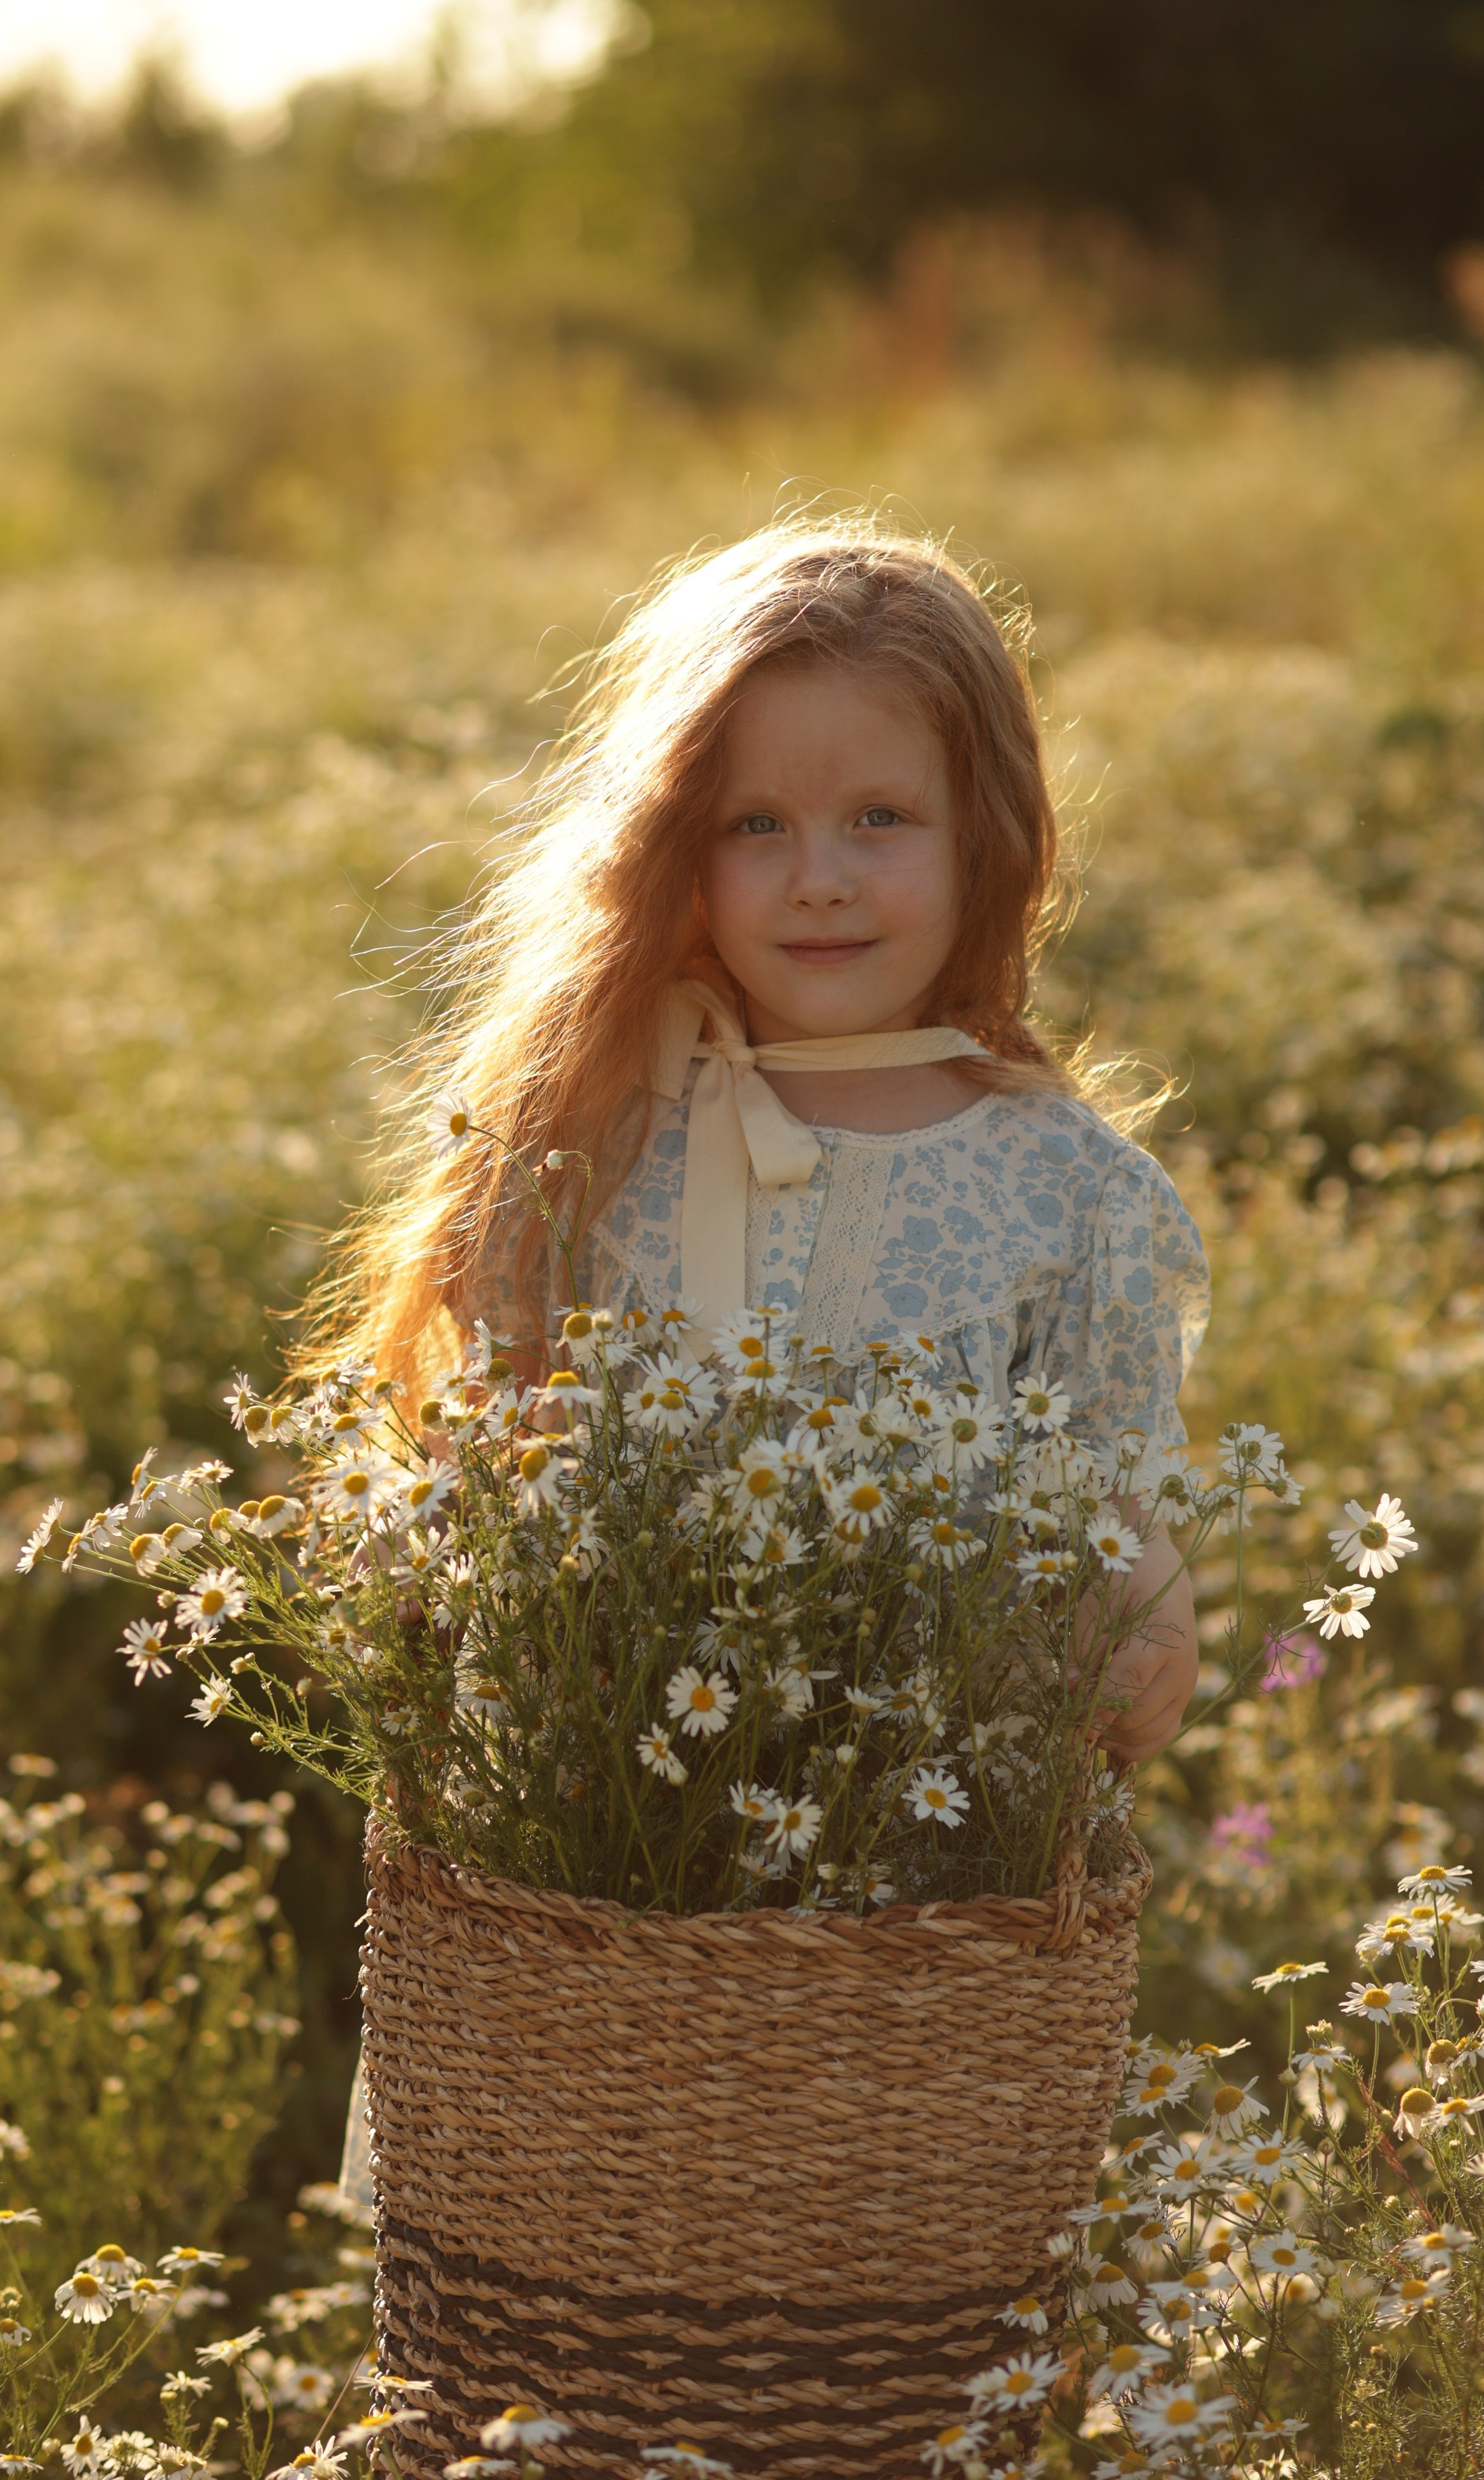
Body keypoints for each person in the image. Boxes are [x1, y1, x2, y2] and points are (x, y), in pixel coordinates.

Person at [324, 518, 1209, 2211]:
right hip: (597, 1855)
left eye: (880, 818)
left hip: (912, 1879)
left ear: (988, 841)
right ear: (676, 850)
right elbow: (480, 1437)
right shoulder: (592, 1125)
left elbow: (1120, 1484)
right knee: (562, 2282)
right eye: (758, 826)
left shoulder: (1065, 1189)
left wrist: (1139, 1606)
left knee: (845, 2302)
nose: (821, 874)